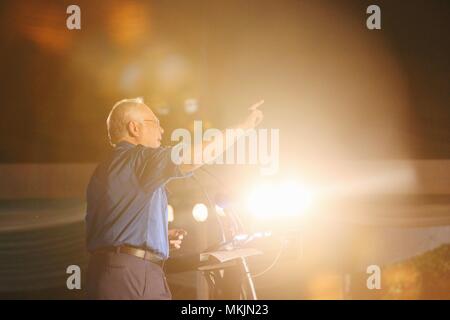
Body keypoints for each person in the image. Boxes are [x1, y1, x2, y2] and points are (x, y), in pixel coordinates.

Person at [85, 97, 263, 299]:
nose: (162, 131)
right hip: (134, 275)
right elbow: (195, 155)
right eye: (156, 123)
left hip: (107, 272)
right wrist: (242, 128)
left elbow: (113, 225)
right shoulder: (140, 159)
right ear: (134, 128)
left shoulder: (103, 169)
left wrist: (154, 235)